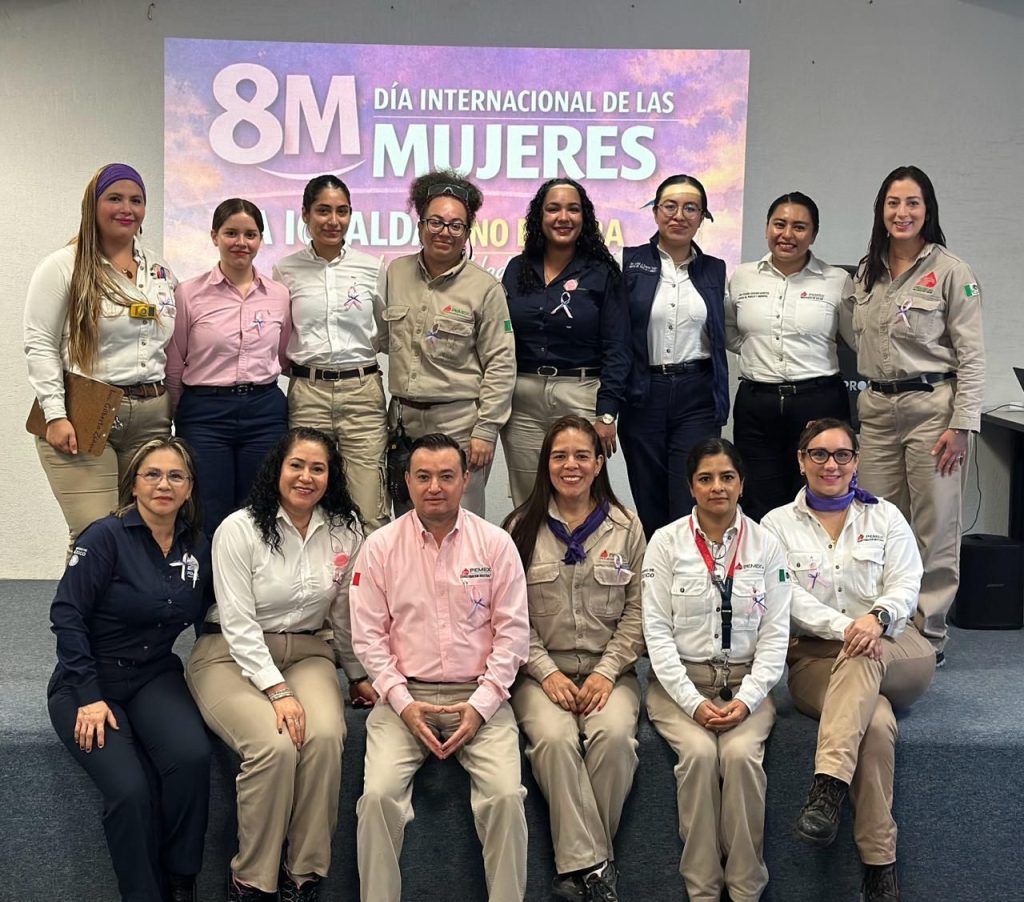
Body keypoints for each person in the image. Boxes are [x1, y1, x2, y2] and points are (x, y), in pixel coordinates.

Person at [186, 427, 375, 902]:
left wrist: (356, 673)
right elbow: (238, 621)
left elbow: (343, 613)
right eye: (297, 465)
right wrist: (278, 691)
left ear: (331, 477)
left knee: (325, 736)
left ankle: (303, 874)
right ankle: (252, 880)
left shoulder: (347, 530)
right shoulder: (239, 528)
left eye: (318, 468)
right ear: (277, 469)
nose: (306, 477)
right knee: (275, 746)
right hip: (230, 653)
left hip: (308, 651)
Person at [350, 433, 530, 902]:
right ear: (407, 481)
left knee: (506, 798)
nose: (435, 487)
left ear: (465, 479)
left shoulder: (495, 544)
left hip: (481, 695)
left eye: (447, 476)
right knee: (377, 799)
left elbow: (513, 636)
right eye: (424, 476)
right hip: (404, 697)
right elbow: (368, 638)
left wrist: (482, 704)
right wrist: (403, 703)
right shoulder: (380, 546)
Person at [761, 418, 935, 902]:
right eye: (818, 454)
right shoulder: (775, 525)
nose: (831, 464)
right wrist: (849, 629)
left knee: (862, 660)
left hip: (897, 648)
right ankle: (881, 869)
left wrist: (876, 619)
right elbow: (786, 597)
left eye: (842, 454)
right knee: (874, 723)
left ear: (856, 461)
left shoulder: (886, 517)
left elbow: (907, 582)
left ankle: (827, 789)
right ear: (801, 461)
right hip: (816, 659)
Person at [47, 437, 211, 902]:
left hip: (153, 673)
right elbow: (66, 615)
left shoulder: (198, 545)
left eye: (175, 476)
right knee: (131, 790)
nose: (164, 485)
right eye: (152, 474)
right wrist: (88, 696)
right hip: (87, 680)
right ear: (133, 484)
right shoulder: (104, 537)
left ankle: (181, 880)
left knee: (192, 758)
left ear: (189, 488)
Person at [641, 438, 790, 902]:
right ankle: (703, 890)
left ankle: (745, 889)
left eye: (727, 477)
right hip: (678, 686)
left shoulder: (767, 545)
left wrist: (747, 700)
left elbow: (776, 635)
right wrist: (692, 703)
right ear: (691, 487)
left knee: (741, 757)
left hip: (747, 685)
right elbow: (656, 633)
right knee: (700, 757)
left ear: (742, 484)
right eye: (705, 479)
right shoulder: (665, 543)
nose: (717, 487)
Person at [503, 416, 645, 902]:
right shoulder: (518, 528)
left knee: (614, 739)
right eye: (559, 456)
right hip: (538, 674)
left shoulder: (626, 527)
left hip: (612, 671)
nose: (571, 465)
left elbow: (639, 613)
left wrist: (606, 673)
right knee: (554, 740)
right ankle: (597, 869)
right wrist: (546, 673)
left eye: (582, 455)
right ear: (545, 463)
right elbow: (510, 617)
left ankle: (580, 869)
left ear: (599, 463)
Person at [847, 165, 984, 665]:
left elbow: (972, 356)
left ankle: (929, 635)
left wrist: (962, 424)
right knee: (877, 523)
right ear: (881, 211)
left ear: (928, 210)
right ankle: (886, 623)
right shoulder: (867, 270)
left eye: (912, 203)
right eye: (893, 203)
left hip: (933, 412)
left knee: (935, 525)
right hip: (878, 410)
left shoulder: (951, 271)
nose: (902, 213)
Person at [25, 163, 177, 548]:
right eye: (114, 198)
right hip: (84, 412)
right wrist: (55, 415)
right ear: (92, 205)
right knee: (96, 536)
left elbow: (169, 344)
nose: (126, 209)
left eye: (136, 200)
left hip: (151, 414)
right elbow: (40, 343)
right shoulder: (63, 266)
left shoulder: (158, 270)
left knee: (144, 533)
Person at [382, 169, 516, 517]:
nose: (445, 232)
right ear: (420, 226)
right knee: (408, 524)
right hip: (403, 423)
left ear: (467, 232)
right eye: (436, 222)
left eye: (456, 225)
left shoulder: (485, 288)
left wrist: (486, 429)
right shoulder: (395, 273)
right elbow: (381, 338)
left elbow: (501, 363)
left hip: (459, 424)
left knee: (460, 524)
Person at [725, 192, 855, 521]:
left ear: (814, 234)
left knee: (819, 495)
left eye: (799, 227)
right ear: (767, 227)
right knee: (758, 500)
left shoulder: (836, 280)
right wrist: (759, 350)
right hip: (757, 402)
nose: (787, 234)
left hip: (818, 401)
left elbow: (853, 337)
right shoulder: (742, 277)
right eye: (779, 224)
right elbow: (729, 331)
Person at [166, 198, 290, 537]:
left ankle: (255, 574)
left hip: (264, 412)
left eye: (250, 234)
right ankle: (207, 574)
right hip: (205, 414)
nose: (241, 242)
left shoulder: (279, 295)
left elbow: (283, 355)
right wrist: (175, 414)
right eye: (231, 233)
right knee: (208, 510)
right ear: (214, 236)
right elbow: (175, 363)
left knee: (260, 509)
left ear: (260, 239)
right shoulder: (188, 294)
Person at [500, 179, 629, 505]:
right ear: (539, 217)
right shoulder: (517, 269)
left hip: (581, 395)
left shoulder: (602, 273)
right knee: (528, 500)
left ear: (584, 217)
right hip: (523, 400)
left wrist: (607, 413)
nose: (563, 217)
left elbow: (618, 346)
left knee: (578, 495)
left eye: (573, 209)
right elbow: (500, 336)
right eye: (553, 209)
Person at [273, 175, 389, 531]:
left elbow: (387, 332)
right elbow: (280, 334)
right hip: (308, 394)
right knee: (304, 501)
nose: (333, 221)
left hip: (362, 394)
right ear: (305, 214)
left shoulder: (372, 268)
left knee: (369, 508)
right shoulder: (285, 270)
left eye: (342, 211)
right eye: (323, 211)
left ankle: (369, 570)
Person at [620, 174, 729, 539]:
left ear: (702, 218)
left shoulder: (715, 269)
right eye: (670, 206)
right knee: (648, 497)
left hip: (696, 393)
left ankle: (691, 570)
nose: (679, 215)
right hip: (643, 392)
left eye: (690, 208)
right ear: (655, 212)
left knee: (689, 495)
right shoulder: (629, 262)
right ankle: (655, 569)